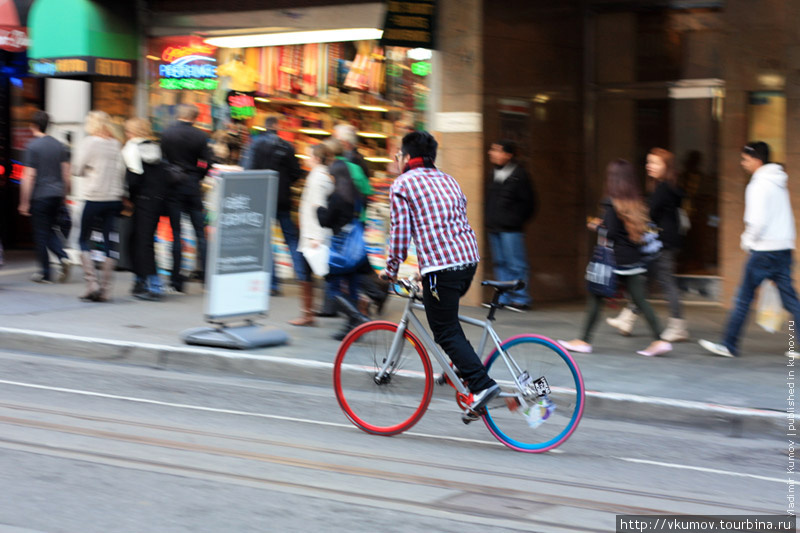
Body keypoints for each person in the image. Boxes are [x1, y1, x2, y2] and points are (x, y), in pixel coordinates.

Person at [383, 130, 499, 412]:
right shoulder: (449, 180)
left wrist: (390, 270)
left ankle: (481, 386)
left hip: (441, 270)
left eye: (399, 155)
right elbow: (448, 226)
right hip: (467, 262)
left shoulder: (403, 184)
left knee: (444, 330)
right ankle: (462, 367)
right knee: (446, 318)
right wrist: (425, 270)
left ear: (407, 157)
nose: (398, 160)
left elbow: (400, 235)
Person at [559, 159, 672, 357]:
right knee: (640, 301)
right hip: (632, 260)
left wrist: (597, 226)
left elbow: (610, 233)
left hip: (615, 260)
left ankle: (584, 340)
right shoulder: (635, 202)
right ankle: (660, 340)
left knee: (595, 296)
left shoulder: (611, 202)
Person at [699, 142, 800, 358]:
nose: (743, 163)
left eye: (745, 159)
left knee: (743, 298)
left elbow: (757, 221)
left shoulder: (758, 184)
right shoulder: (778, 181)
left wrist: (747, 241)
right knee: (791, 300)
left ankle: (729, 344)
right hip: (783, 249)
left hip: (763, 251)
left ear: (757, 160)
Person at [606, 148, 689, 341]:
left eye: (655, 163)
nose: (649, 166)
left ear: (666, 167)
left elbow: (650, 213)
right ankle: (628, 318)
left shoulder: (664, 188)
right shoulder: (664, 186)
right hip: (662, 241)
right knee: (643, 280)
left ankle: (678, 326)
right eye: (649, 162)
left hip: (663, 242)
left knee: (665, 282)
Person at [242, 115, 304, 296]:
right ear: (276, 126)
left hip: (262, 198)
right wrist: (285, 184)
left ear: (265, 126)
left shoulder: (254, 145)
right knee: (291, 239)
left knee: (266, 241)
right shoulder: (287, 146)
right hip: (283, 198)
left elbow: (248, 170)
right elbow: (296, 173)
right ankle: (302, 279)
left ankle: (272, 285)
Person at [317, 139, 370, 340]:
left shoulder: (336, 197)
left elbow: (327, 221)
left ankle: (355, 318)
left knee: (333, 285)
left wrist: (318, 209)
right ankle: (354, 328)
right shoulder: (355, 195)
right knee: (353, 287)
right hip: (355, 246)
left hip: (340, 247)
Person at [73, 110, 126, 302]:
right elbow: (121, 171)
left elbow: (76, 169)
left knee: (82, 240)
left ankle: (91, 284)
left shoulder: (89, 143)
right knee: (110, 242)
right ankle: (105, 290)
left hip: (94, 197)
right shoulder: (116, 144)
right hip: (113, 199)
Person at [161, 104, 212, 293]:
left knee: (176, 233)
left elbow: (162, 159)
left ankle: (177, 280)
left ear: (179, 115)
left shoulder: (167, 134)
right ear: (195, 117)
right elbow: (207, 162)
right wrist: (198, 176)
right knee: (200, 233)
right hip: (192, 187)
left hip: (174, 186)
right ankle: (206, 279)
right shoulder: (200, 136)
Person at [18, 110, 71, 284]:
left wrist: (24, 202)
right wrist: (64, 196)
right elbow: (66, 175)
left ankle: (45, 273)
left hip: (40, 196)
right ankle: (63, 257)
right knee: (49, 230)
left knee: (41, 233)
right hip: (56, 195)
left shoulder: (32, 147)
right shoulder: (59, 145)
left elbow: (29, 176)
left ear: (33, 125)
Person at [484, 139, 536, 311]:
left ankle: (521, 298)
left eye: (496, 150)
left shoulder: (519, 175)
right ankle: (503, 298)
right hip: (495, 227)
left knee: (516, 264)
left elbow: (530, 203)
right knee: (500, 263)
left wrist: (516, 220)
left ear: (508, 155)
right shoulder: (493, 173)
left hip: (511, 230)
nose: (492, 152)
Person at [122, 117, 167, 301]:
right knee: (143, 241)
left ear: (130, 132)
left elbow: (133, 179)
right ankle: (143, 280)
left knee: (139, 242)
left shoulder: (131, 148)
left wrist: (129, 198)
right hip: (156, 200)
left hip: (141, 201)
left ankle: (150, 283)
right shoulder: (154, 147)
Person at [293, 142, 335, 326]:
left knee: (310, 274)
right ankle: (307, 314)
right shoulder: (324, 176)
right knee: (319, 274)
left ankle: (307, 315)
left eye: (309, 155)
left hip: (313, 235)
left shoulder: (317, 178)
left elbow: (318, 207)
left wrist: (316, 236)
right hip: (314, 233)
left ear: (317, 158)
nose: (307, 159)